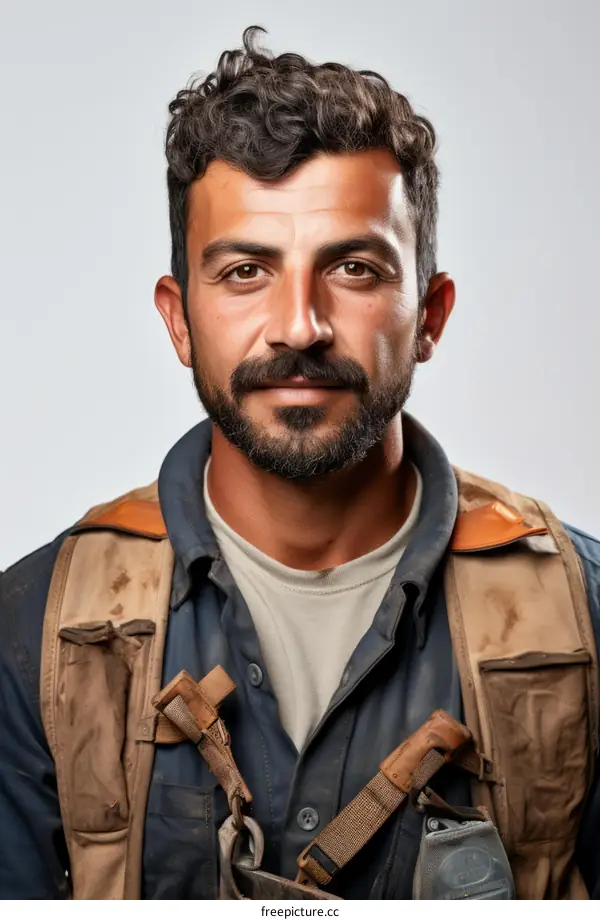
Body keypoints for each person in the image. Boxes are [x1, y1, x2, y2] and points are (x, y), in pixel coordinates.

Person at [1, 26, 599, 901]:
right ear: (178, 320)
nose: (300, 325)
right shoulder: (37, 636)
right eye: (245, 271)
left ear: (429, 314)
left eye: (353, 268)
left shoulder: (584, 619)